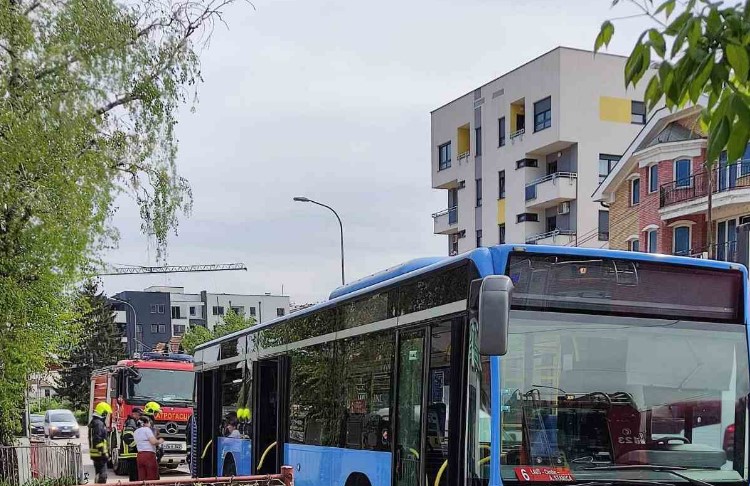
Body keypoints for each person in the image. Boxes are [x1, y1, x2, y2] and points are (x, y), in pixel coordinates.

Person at [134, 415, 164, 480]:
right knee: (152, 477)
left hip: (139, 455)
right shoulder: (147, 430)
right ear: (146, 423)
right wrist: (160, 441)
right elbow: (153, 442)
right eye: (149, 422)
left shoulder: (136, 431)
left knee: (142, 477)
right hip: (149, 455)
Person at [89, 402, 112, 484]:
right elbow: (97, 439)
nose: (106, 415)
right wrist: (104, 453)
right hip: (100, 454)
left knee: (98, 474)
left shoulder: (94, 422)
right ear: (103, 412)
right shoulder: (99, 424)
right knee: (102, 475)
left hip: (95, 453)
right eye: (106, 413)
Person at [121, 407, 143, 481]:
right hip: (131, 453)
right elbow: (128, 437)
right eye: (139, 415)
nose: (139, 417)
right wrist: (136, 446)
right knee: (134, 475)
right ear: (134, 414)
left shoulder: (133, 422)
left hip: (132, 453)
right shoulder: (131, 422)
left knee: (134, 475)